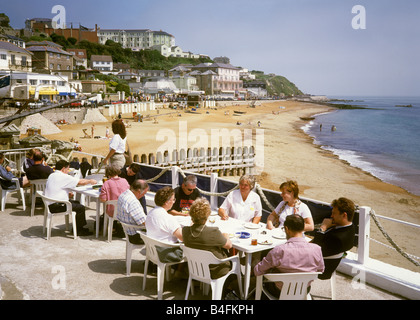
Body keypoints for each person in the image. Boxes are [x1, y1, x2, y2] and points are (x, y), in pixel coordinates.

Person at [254, 214, 324, 296]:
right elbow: (320, 270)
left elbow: (258, 271)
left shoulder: (279, 250)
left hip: (279, 291)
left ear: (287, 229)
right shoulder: (317, 249)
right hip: (304, 290)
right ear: (303, 228)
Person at [182, 197, 232, 279]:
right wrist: (226, 235)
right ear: (207, 215)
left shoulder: (185, 231)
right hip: (216, 270)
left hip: (196, 269)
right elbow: (229, 245)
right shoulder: (213, 232)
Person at [44, 160, 97, 236]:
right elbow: (80, 182)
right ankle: (79, 230)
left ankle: (77, 227)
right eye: (67, 169)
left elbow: (56, 188)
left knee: (76, 203)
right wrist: (90, 181)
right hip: (57, 206)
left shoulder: (52, 175)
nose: (68, 171)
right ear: (63, 168)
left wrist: (66, 194)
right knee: (81, 208)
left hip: (50, 204)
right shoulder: (63, 176)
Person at [311, 197, 356, 279]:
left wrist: (323, 228)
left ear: (344, 215)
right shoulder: (350, 228)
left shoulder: (338, 238)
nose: (331, 216)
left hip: (319, 269)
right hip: (323, 258)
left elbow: (314, 251)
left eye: (334, 213)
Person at [145, 186, 184, 263]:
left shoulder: (150, 213)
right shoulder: (168, 218)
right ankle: (180, 272)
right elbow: (184, 238)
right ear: (166, 202)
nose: (174, 202)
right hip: (167, 253)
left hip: (153, 250)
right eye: (173, 200)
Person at [116, 179, 149, 244]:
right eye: (144, 193)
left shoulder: (123, 194)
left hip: (127, 230)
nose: (143, 196)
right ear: (139, 191)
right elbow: (144, 222)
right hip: (135, 235)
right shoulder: (133, 202)